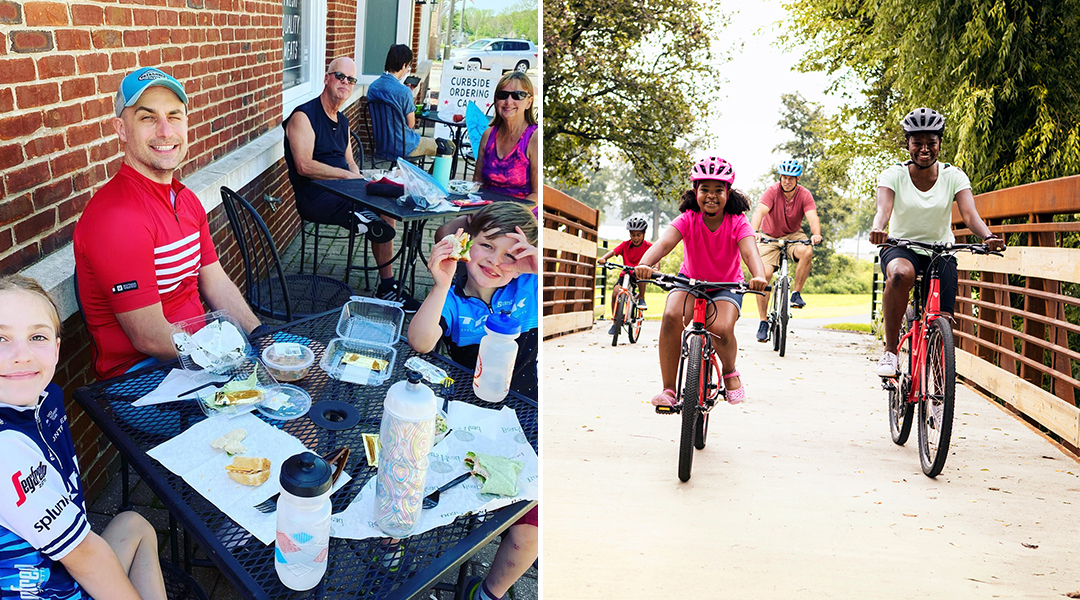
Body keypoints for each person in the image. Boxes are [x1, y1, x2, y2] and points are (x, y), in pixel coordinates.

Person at [73, 67, 264, 380]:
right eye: (147, 117)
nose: (165, 130)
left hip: (200, 354)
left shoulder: (185, 198)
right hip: (144, 378)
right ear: (121, 129)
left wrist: (260, 334)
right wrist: (231, 366)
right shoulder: (117, 216)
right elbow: (149, 337)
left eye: (174, 115)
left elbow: (214, 281)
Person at [0, 275, 167, 600]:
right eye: (0, 338)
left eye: (37, 336)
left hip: (57, 570)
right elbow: (85, 557)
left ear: (57, 347)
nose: (22, 354)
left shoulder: (44, 398)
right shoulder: (5, 450)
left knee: (136, 524)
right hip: (44, 590)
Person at [407, 202, 538, 600]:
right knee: (407, 474)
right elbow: (421, 340)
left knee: (529, 531)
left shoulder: (530, 287)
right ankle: (390, 554)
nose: (496, 262)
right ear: (467, 246)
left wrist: (538, 266)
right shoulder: (455, 297)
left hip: (529, 416)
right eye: (487, 246)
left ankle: (488, 592)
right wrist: (441, 282)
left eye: (512, 255)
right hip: (473, 415)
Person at [869, 107, 1006, 376]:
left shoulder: (953, 176)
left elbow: (969, 214)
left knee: (943, 319)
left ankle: (938, 387)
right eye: (917, 143)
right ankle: (890, 352)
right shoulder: (893, 174)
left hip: (941, 250)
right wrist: (877, 228)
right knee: (899, 274)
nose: (924, 149)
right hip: (901, 247)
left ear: (939, 143)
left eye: (931, 143)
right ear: (907, 144)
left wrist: (988, 236)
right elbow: (883, 210)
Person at [283, 56, 416, 312]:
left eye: (351, 79)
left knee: (387, 206)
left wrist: (364, 180)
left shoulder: (342, 121)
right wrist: (347, 177)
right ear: (326, 78)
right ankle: (366, 220)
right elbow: (304, 166)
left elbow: (350, 163)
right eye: (339, 76)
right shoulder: (303, 116)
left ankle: (386, 285)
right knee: (380, 216)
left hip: (345, 191)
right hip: (316, 196)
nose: (345, 82)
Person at [634, 157, 767, 406]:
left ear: (728, 192)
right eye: (705, 189)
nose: (711, 196)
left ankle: (729, 371)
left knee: (721, 329)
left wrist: (758, 276)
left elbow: (750, 252)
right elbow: (664, 244)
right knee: (671, 316)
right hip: (690, 282)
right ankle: (669, 390)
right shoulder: (688, 218)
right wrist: (645, 263)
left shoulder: (738, 221)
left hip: (727, 286)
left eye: (719, 190)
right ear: (695, 191)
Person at [434, 71, 538, 241]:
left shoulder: (534, 138)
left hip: (520, 216)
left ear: (528, 102)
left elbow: (536, 195)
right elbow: (477, 184)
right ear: (496, 100)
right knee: (445, 234)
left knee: (487, 243)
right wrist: (473, 209)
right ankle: (452, 269)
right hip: (487, 212)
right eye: (503, 95)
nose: (509, 101)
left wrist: (500, 216)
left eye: (518, 95)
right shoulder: (488, 135)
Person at [749, 158, 823, 342]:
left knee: (807, 251)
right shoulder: (772, 191)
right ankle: (763, 321)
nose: (787, 181)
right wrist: (755, 231)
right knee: (764, 276)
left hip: (793, 234)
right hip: (769, 235)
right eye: (784, 177)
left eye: (791, 178)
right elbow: (759, 211)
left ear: (797, 179)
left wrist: (816, 234)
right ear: (780, 177)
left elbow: (812, 215)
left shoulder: (804, 194)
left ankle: (796, 294)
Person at [367, 44, 454, 160]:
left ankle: (409, 172)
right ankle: (428, 177)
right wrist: (408, 95)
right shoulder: (404, 92)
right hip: (404, 146)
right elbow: (411, 124)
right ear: (404, 65)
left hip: (382, 146)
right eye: (408, 66)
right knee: (448, 147)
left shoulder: (372, 88)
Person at [597, 217, 652, 334]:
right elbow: (613, 252)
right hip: (626, 273)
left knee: (642, 276)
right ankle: (615, 322)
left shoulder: (648, 246)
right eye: (633, 235)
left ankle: (641, 297)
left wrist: (656, 267)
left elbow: (656, 256)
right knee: (615, 292)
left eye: (638, 235)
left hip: (638, 273)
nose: (635, 238)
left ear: (644, 234)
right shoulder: (625, 245)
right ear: (630, 234)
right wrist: (604, 258)